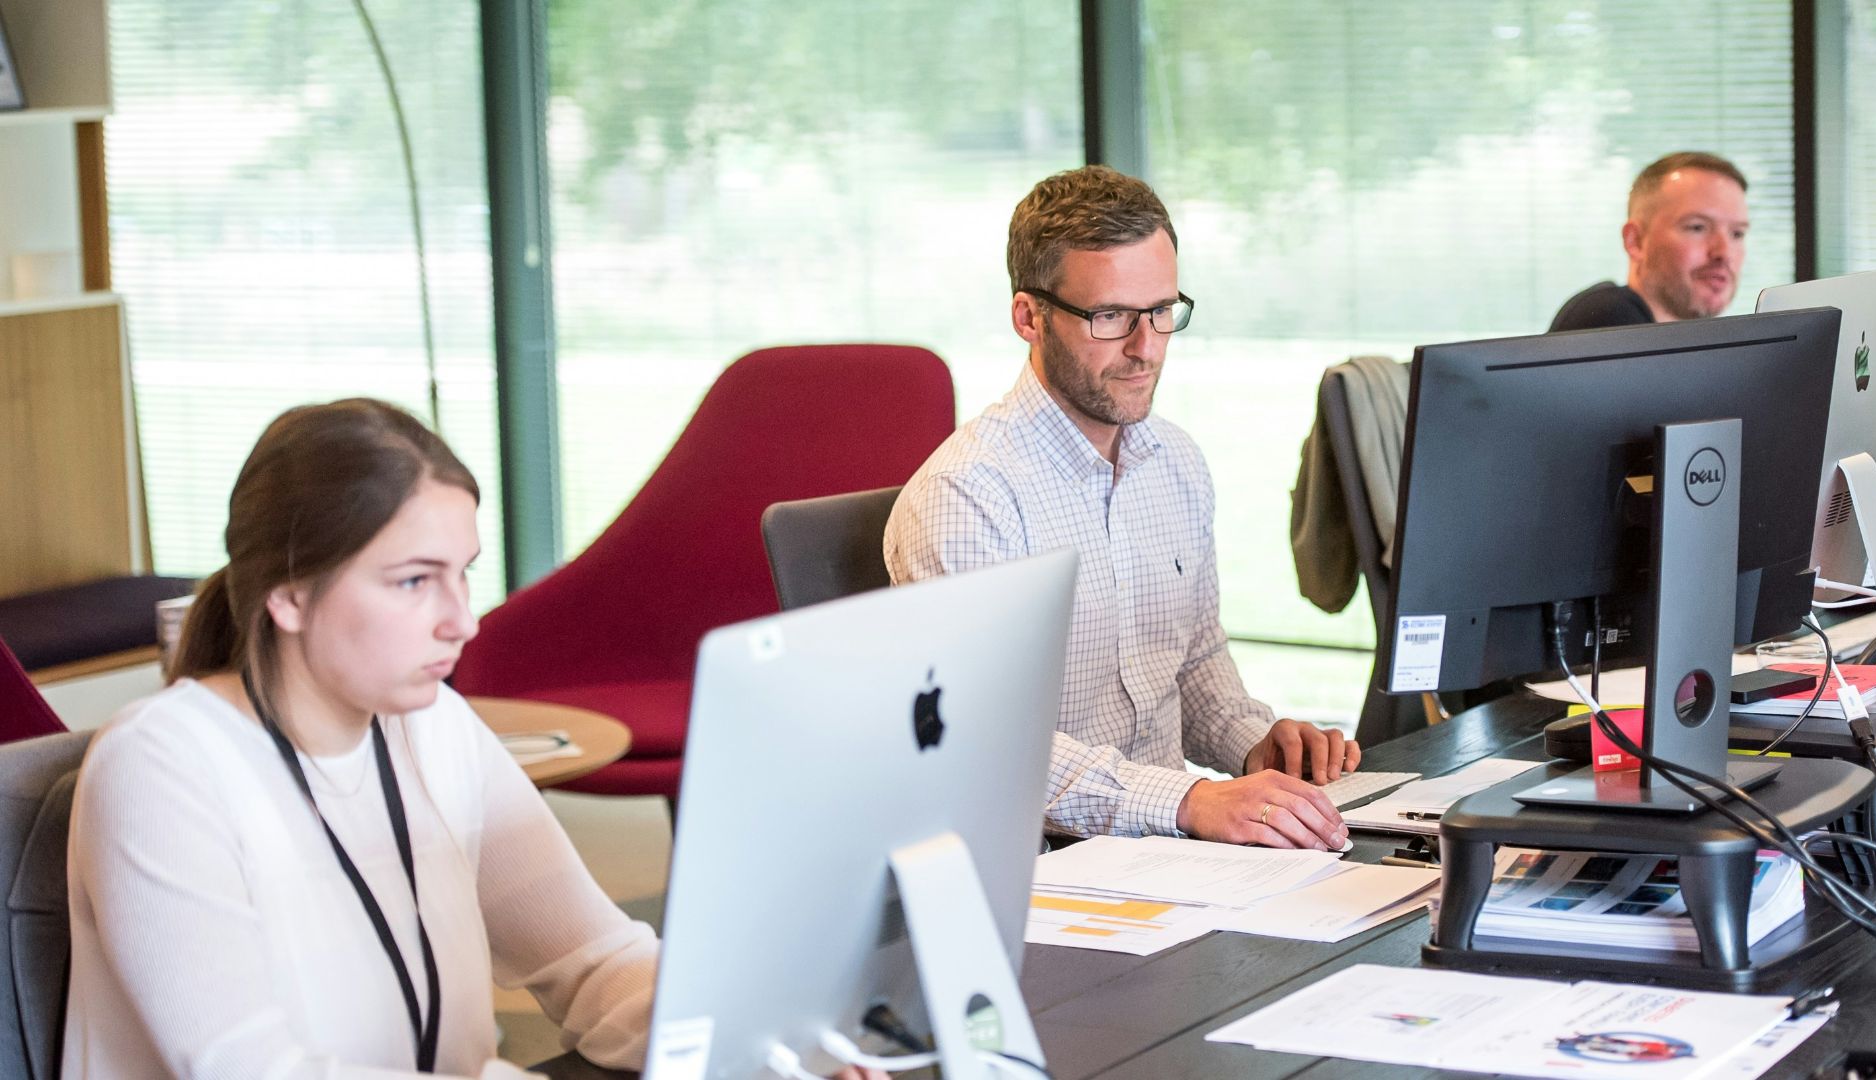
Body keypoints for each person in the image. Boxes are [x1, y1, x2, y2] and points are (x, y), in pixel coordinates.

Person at [62, 399, 885, 1079]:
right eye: (414, 581)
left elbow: (595, 962)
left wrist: (770, 1043)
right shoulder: (162, 766)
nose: (460, 620)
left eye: (464, 574)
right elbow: (253, 1070)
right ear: (288, 593)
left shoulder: (431, 725)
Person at [884, 166, 1358, 852]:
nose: (1146, 348)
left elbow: (1192, 662)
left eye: (1162, 311)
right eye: (1110, 317)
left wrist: (1258, 746)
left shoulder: (1176, 462)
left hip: (1169, 854)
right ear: (1029, 316)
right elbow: (988, 744)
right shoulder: (968, 497)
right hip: (1046, 873)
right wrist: (1192, 799)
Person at [1549, 151, 1749, 332]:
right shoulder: (1609, 320)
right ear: (1635, 241)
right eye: (1697, 227)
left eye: (1737, 234)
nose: (1724, 252)